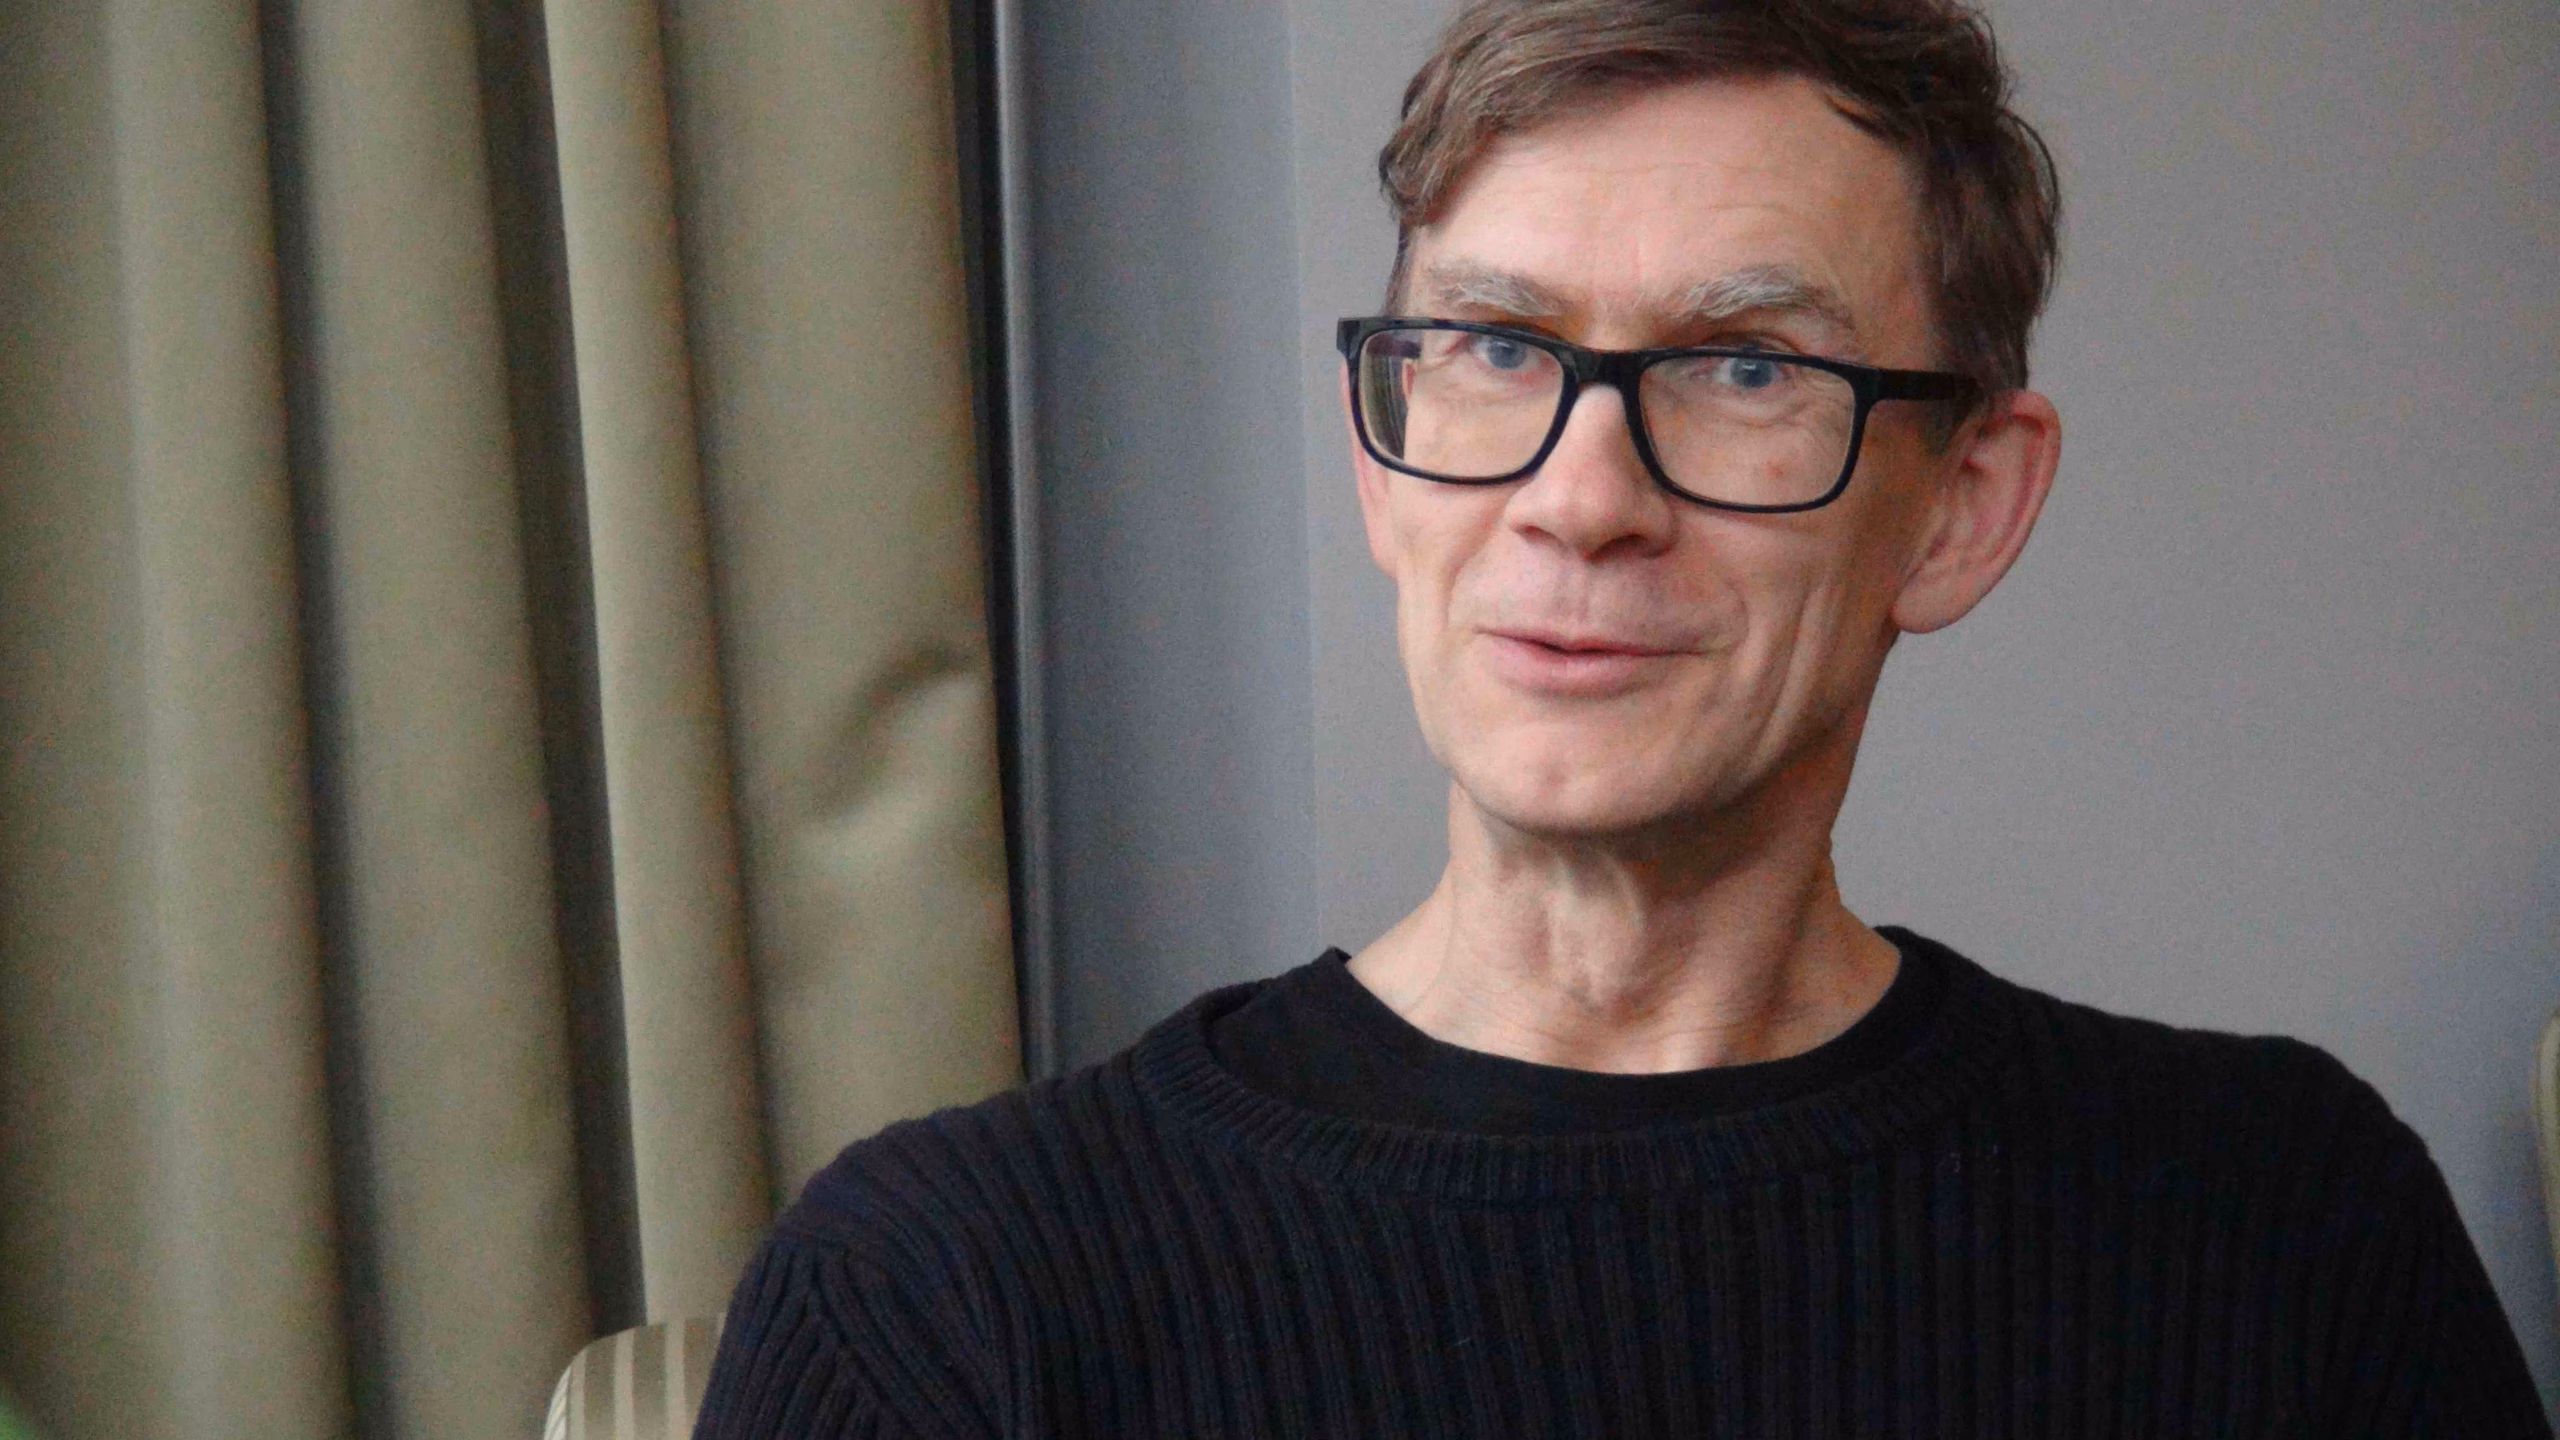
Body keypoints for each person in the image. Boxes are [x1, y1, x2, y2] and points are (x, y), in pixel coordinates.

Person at [695, 1, 2551, 1434]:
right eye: (1497, 349)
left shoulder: (2283, 1222)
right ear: (1386, 456)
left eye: (1743, 367)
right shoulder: (939, 1294)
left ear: (1963, 507)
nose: (1580, 498)